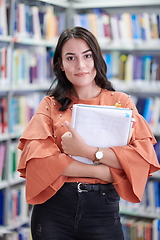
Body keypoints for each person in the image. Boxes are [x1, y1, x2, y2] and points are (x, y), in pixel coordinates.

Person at [17, 26, 160, 240]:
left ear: (97, 59)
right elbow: (39, 163)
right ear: (60, 65)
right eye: (71, 58)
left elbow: (140, 158)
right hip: (53, 210)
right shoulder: (49, 105)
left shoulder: (121, 103)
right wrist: (105, 169)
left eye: (87, 56)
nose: (81, 65)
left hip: (102, 210)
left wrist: (85, 150)